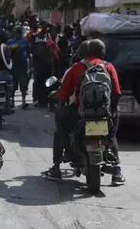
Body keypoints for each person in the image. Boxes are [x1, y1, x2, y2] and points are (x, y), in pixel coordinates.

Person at [41, 39, 126, 185]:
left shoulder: (76, 67)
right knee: (111, 135)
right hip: (104, 115)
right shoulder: (109, 67)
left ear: (81, 53)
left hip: (79, 115)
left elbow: (63, 94)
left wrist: (60, 106)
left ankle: (57, 167)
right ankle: (116, 171)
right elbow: (117, 93)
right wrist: (112, 112)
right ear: (102, 52)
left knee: (59, 122)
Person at [29, 21, 56, 107]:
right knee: (38, 82)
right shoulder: (34, 36)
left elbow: (51, 50)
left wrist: (52, 64)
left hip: (47, 64)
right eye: (44, 26)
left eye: (47, 27)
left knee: (47, 82)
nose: (46, 28)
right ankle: (37, 99)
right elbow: (31, 50)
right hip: (38, 63)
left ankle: (46, 100)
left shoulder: (49, 37)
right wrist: (31, 63)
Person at [8, 25, 30, 109]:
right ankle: (12, 101)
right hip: (13, 66)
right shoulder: (10, 42)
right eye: (16, 31)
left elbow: (28, 53)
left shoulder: (25, 41)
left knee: (23, 85)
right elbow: (7, 54)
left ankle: (23, 101)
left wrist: (30, 65)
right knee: (13, 85)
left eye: (19, 32)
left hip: (23, 66)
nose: (18, 33)